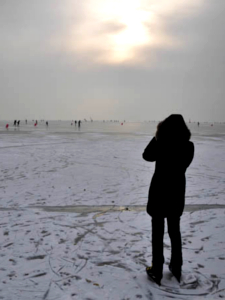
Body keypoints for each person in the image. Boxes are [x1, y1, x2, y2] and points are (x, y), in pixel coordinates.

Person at [142, 114, 194, 286]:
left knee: (157, 233)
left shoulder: (161, 143)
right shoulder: (189, 147)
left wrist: (157, 137)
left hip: (159, 194)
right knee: (174, 232)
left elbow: (147, 155)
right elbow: (182, 165)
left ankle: (157, 270)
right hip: (176, 194)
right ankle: (176, 267)